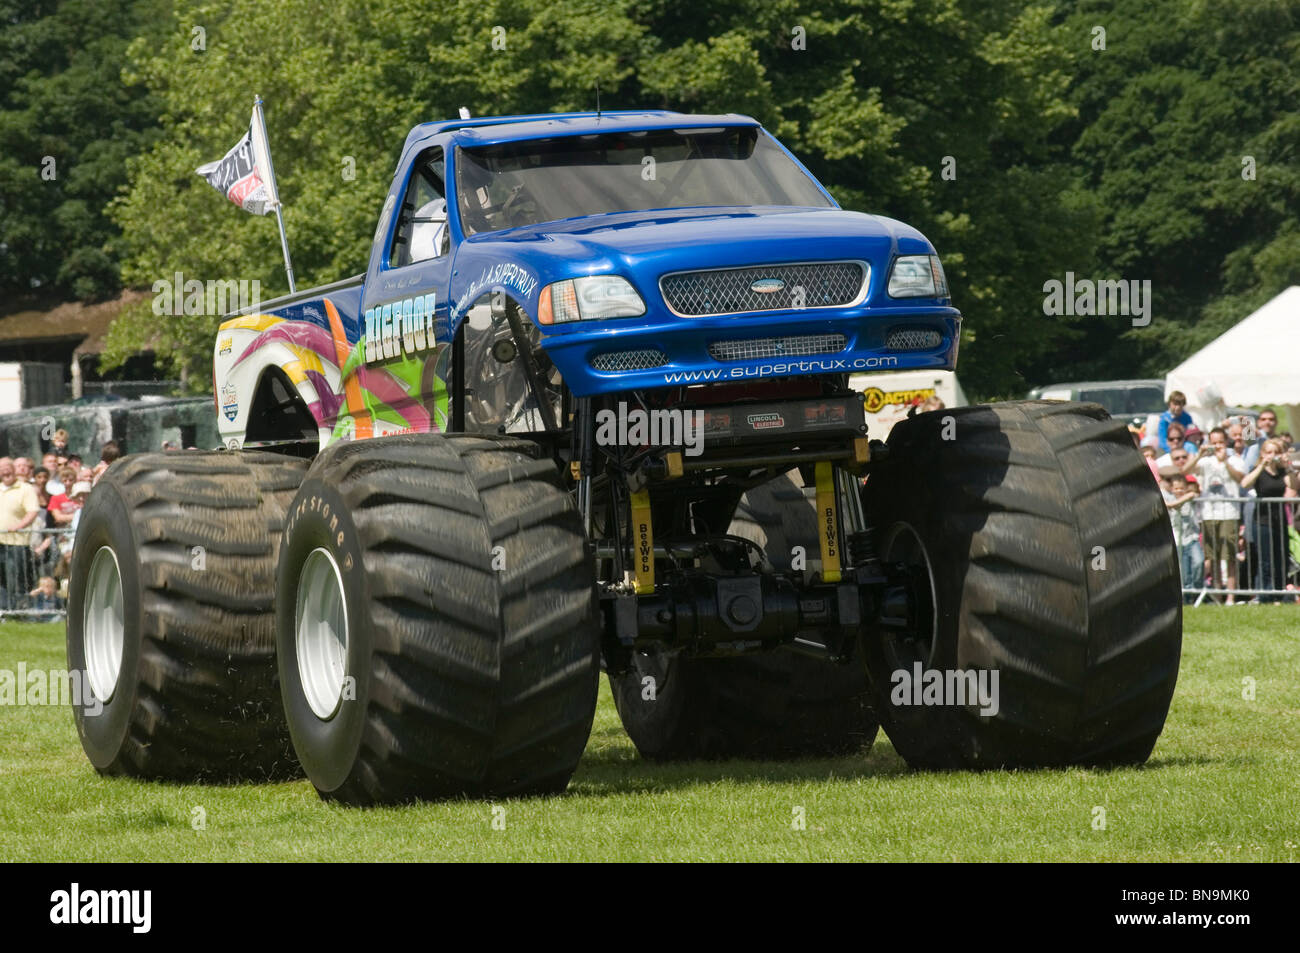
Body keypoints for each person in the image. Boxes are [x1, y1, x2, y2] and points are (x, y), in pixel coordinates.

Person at [1182, 428, 1247, 604]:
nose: (1217, 446)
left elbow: (1241, 479)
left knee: (1230, 557)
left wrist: (1225, 462)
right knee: (1214, 557)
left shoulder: (1235, 459)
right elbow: (1184, 471)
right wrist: (1199, 454)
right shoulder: (1205, 461)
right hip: (1209, 513)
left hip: (1229, 513)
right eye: (1214, 442)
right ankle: (1218, 595)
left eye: (1220, 442)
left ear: (1226, 442)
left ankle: (1231, 596)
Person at [1241, 439, 1297, 602]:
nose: (1273, 456)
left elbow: (1293, 484)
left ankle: (1280, 593)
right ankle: (1265, 594)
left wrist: (1288, 467)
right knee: (1266, 560)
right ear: (1263, 454)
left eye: (1276, 452)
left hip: (1279, 520)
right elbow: (1245, 484)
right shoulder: (1258, 471)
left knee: (1281, 557)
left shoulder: (1282, 473)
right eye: (1269, 452)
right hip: (1262, 521)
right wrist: (1261, 465)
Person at [0, 457, 41, 611]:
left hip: (17, 543)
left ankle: (18, 610)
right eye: (1, 467)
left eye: (7, 466)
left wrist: (19, 526)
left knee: (15, 580)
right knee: (1, 580)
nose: (5, 470)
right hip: (0, 542)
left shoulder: (25, 489)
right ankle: (3, 611)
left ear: (14, 469)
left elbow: (33, 511)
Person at [1164, 472, 1202, 603]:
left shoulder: (1189, 497)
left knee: (1199, 562)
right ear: (1171, 489)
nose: (1179, 491)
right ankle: (1187, 598)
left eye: (1181, 488)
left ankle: (1198, 591)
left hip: (1192, 538)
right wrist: (1172, 504)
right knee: (1184, 573)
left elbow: (1192, 494)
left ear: (1186, 488)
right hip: (1178, 540)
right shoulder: (1168, 498)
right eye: (1176, 488)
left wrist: (1177, 503)